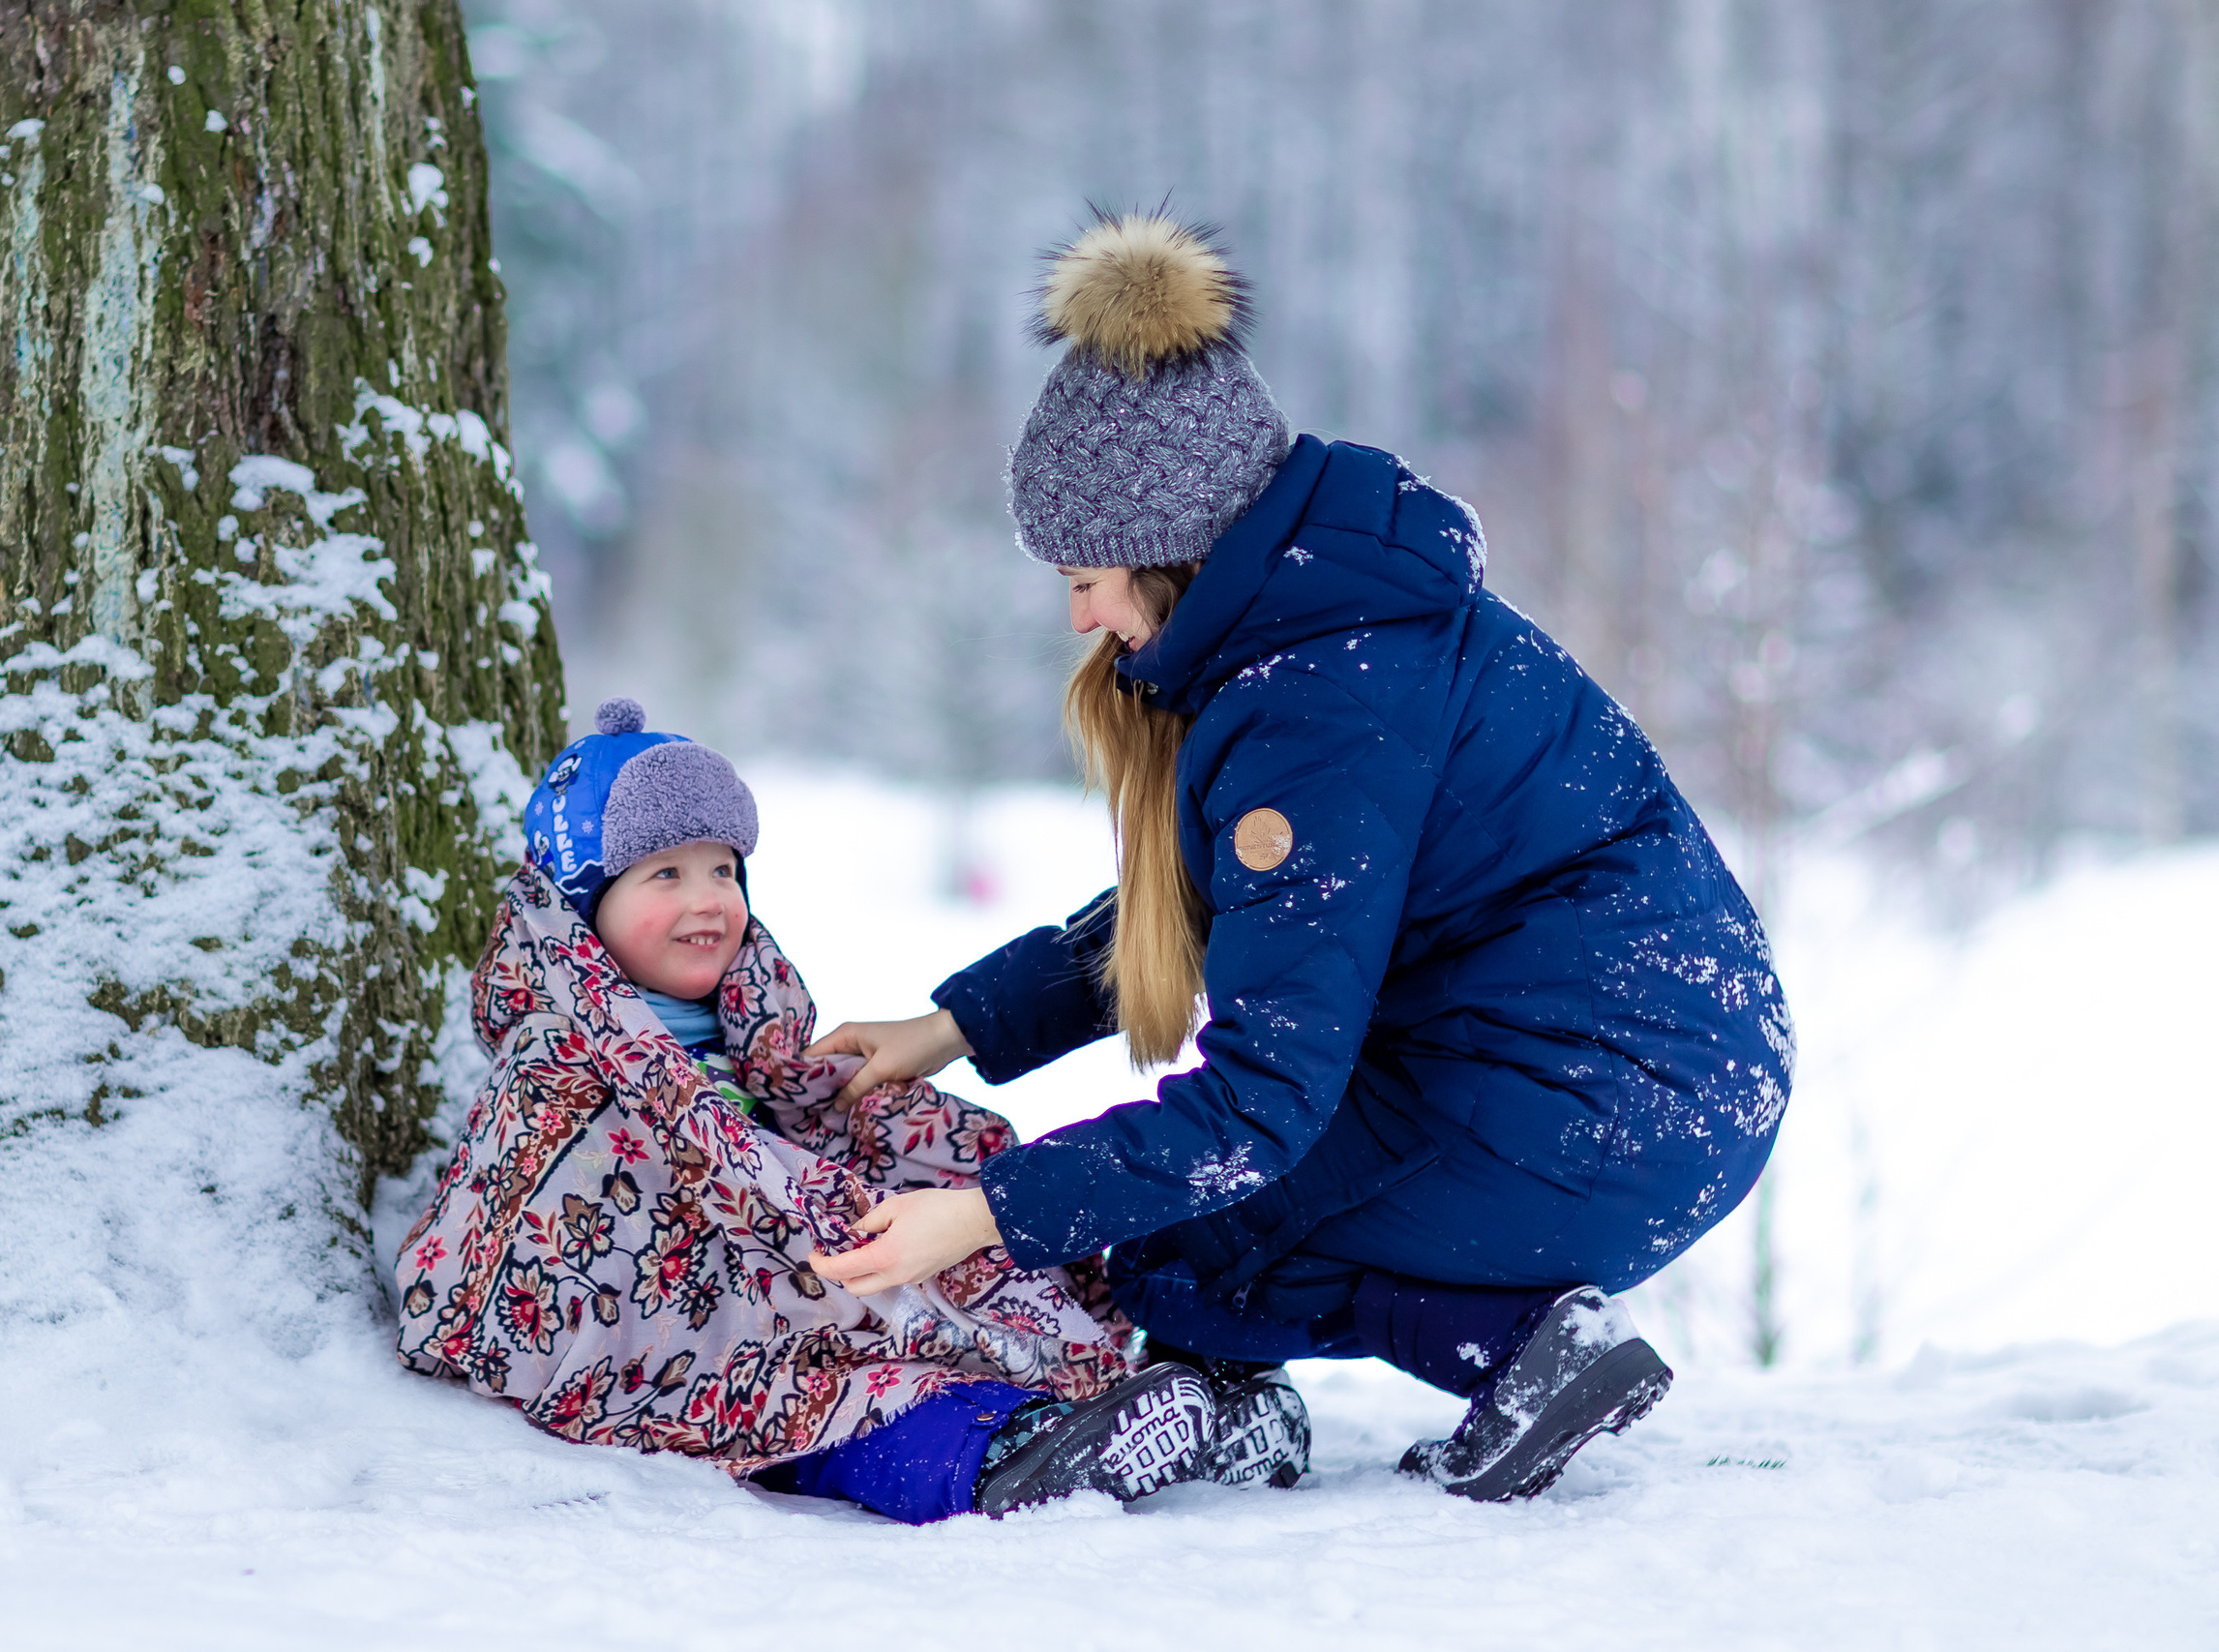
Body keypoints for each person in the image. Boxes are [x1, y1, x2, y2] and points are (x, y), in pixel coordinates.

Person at [806, 211, 1794, 1502]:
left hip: (1600, 1101)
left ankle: (1515, 1352)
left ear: (1176, 552)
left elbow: (1263, 1102)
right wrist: (953, 1025)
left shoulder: (1319, 706)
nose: (1078, 613)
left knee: (1172, 1252)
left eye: (1090, 575)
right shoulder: (1328, 621)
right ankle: (1429, 1354)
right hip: (1642, 1071)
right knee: (1182, 1229)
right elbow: (1231, 906)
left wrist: (986, 1208)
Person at [394, 696, 1303, 1523]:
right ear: (585, 907)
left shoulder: (747, 1037)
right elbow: (545, 1239)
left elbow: (792, 1140)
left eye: (722, 869)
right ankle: (1010, 1456)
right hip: (701, 1349)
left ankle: (1162, 1425)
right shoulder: (561, 1058)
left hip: (789, 1293)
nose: (709, 899)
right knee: (854, 1396)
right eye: (664, 875)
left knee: (933, 1286)